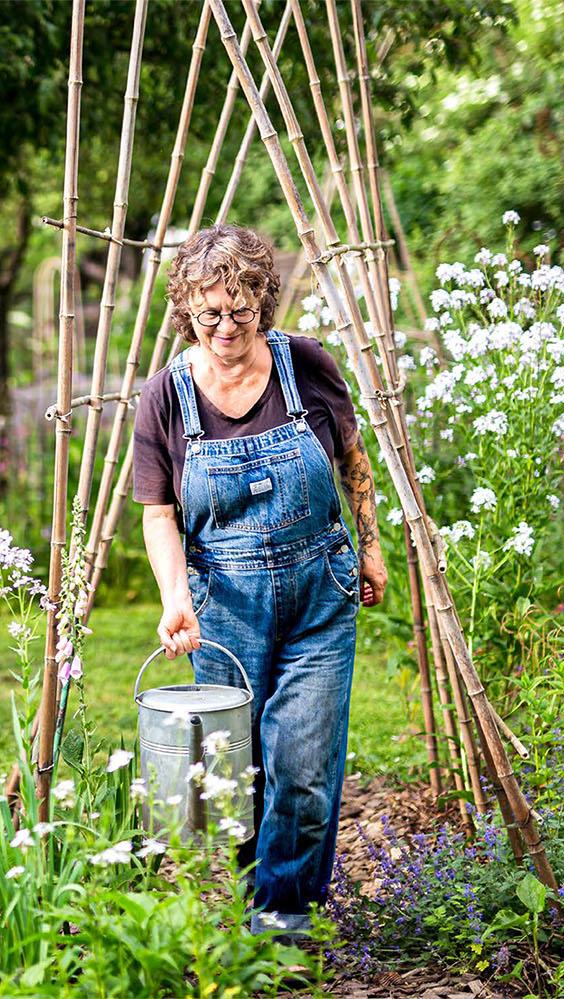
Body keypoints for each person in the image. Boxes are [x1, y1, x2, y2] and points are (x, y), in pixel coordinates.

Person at [131, 223, 386, 936]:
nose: (224, 326)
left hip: (317, 593)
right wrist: (175, 596)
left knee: (303, 766)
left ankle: (284, 921)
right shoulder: (166, 397)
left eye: (240, 309)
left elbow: (352, 458)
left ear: (264, 301)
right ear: (187, 308)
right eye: (208, 311)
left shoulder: (305, 364)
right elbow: (158, 514)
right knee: (244, 774)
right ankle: (263, 900)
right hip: (224, 605)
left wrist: (370, 545)